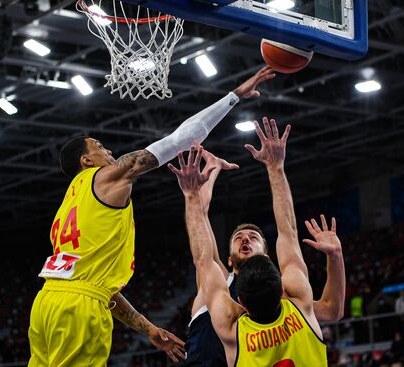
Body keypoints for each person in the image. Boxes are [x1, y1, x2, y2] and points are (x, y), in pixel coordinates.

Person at [28, 67, 276, 367]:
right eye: (100, 148)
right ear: (86, 160)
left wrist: (148, 328)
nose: (109, 151)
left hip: (47, 302)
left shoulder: (68, 204)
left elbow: (95, 287)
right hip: (78, 308)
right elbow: (178, 140)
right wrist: (233, 97)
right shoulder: (106, 178)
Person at [169, 120, 338, 366]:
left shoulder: (230, 321)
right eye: (238, 238)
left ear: (242, 305)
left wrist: (191, 194)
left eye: (253, 237)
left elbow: (202, 255)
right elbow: (288, 232)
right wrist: (276, 167)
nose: (245, 239)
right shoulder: (298, 301)